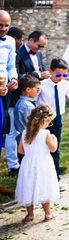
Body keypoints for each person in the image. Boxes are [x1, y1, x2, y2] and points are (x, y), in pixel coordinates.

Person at [36, 59, 69, 181]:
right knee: (42, 145)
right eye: (58, 74)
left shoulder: (66, 84)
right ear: (50, 71)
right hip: (43, 119)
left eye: (64, 75)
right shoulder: (42, 85)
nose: (61, 77)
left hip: (57, 118)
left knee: (55, 146)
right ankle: (41, 173)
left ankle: (55, 176)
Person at [15, 104, 59, 223]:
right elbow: (53, 149)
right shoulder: (46, 133)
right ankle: (48, 214)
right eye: (49, 122)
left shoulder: (25, 132)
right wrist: (55, 140)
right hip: (43, 164)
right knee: (44, 187)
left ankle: (30, 215)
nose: (49, 125)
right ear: (44, 121)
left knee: (29, 187)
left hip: (28, 165)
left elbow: (20, 151)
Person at [6, 75, 40, 176]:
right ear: (28, 90)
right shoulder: (27, 106)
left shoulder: (22, 102)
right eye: (37, 89)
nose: (38, 92)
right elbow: (31, 125)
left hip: (23, 138)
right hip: (28, 139)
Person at [0, 10, 18, 145]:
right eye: (0, 25)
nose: (4, 29)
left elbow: (11, 65)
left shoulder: (11, 41)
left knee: (2, 127)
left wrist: (13, 79)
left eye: (7, 25)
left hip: (5, 90)